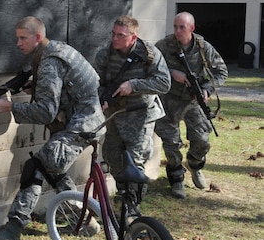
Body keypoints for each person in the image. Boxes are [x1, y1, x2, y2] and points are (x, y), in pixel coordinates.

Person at [0, 16, 105, 240]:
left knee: (36, 166)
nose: (18, 43)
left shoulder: (48, 62)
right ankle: (85, 222)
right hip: (88, 120)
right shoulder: (56, 50)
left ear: (38, 37)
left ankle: (12, 231)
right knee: (52, 168)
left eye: (22, 38)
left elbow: (46, 112)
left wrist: (11, 107)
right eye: (17, 38)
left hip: (81, 125)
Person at [93, 15, 171, 203]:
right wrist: (103, 98)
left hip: (140, 114)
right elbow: (97, 82)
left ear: (133, 38)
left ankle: (132, 206)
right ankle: (124, 192)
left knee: (135, 161)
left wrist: (134, 85)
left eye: (121, 35)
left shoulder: (149, 54)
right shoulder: (105, 55)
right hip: (116, 114)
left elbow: (164, 83)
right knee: (112, 155)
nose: (115, 39)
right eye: (113, 34)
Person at [154, 12, 228, 199]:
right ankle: (177, 178)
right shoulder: (164, 45)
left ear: (192, 29)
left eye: (182, 27)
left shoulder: (203, 48)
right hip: (169, 99)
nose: (178, 31)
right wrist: (171, 73)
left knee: (202, 140)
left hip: (193, 100)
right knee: (171, 142)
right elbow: (149, 66)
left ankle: (195, 165)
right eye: (175, 27)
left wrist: (206, 90)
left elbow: (221, 71)